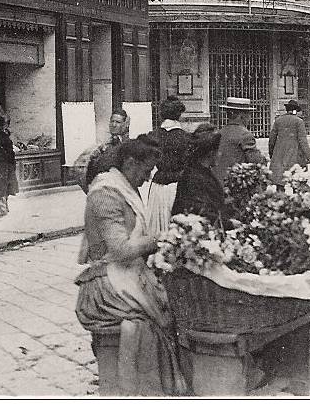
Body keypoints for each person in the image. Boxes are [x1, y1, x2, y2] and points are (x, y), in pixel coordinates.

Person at [75, 135, 188, 396]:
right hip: (108, 281)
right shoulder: (105, 194)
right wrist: (159, 239)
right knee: (152, 322)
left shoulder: (125, 187)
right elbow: (121, 250)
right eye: (146, 170)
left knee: (168, 313)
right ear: (129, 162)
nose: (149, 177)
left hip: (127, 274)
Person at [147, 96, 192, 237]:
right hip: (177, 187)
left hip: (157, 186)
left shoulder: (153, 136)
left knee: (156, 228)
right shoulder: (186, 138)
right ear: (179, 115)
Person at [172, 124, 231, 224]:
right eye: (218, 151)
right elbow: (202, 212)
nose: (220, 154)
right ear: (211, 153)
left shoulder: (200, 171)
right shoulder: (195, 177)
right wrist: (229, 224)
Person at [214, 97, 267, 183]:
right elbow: (256, 161)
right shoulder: (245, 135)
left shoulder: (219, 133)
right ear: (242, 116)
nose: (250, 118)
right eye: (249, 114)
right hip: (235, 183)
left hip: (218, 182)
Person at [83, 109, 131, 192]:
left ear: (125, 125)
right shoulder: (102, 145)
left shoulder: (128, 145)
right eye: (112, 121)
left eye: (118, 122)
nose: (114, 125)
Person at [268, 99, 310, 187]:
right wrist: (308, 155)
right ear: (295, 110)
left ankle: (280, 198)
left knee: (279, 181)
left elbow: (272, 139)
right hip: (295, 154)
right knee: (297, 180)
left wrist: (272, 153)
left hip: (279, 154)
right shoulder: (299, 122)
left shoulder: (278, 120)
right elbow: (303, 140)